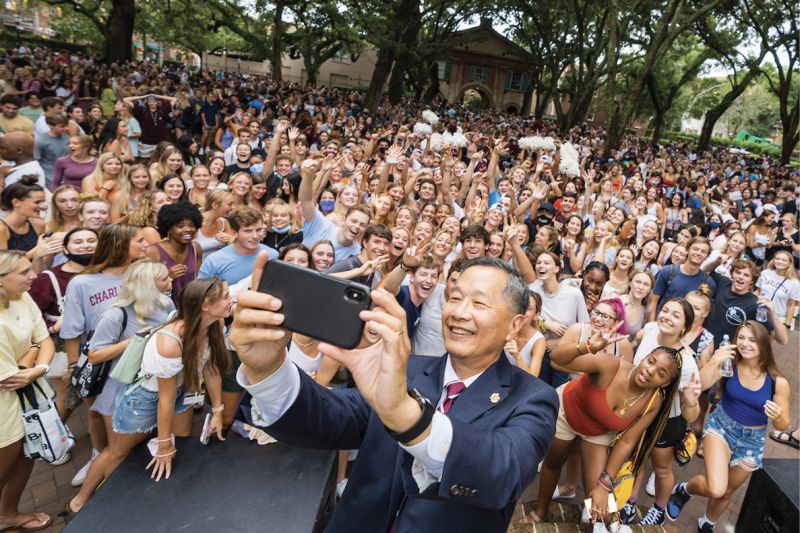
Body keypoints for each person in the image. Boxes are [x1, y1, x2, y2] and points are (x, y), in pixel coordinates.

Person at [230, 256, 558, 532]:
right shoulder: (408, 369)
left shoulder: (532, 397)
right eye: (455, 297)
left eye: (479, 302)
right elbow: (327, 416)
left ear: (515, 325)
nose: (459, 312)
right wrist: (269, 369)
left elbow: (502, 473)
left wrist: (405, 414)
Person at [67, 277, 231, 513]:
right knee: (117, 453)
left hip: (181, 392)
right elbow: (164, 398)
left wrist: (217, 411)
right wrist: (163, 444)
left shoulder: (214, 324)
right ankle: (83, 500)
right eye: (225, 296)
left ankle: (159, 503)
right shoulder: (169, 342)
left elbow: (211, 368)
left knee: (181, 445)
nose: (231, 299)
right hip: (144, 400)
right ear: (205, 304)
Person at [535, 334, 688, 523]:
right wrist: (587, 346)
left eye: (661, 373)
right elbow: (556, 358)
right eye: (651, 361)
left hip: (599, 431)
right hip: (567, 413)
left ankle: (592, 523)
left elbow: (627, 441)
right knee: (553, 462)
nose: (650, 370)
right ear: (643, 358)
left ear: (664, 384)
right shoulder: (610, 365)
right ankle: (541, 512)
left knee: (598, 498)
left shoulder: (653, 402)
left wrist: (605, 484)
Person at [666, 321, 791, 532]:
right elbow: (703, 385)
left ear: (763, 343)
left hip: (752, 441)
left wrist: (778, 416)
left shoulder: (777, 382)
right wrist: (715, 359)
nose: (745, 343)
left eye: (752, 339)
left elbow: (783, 423)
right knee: (716, 487)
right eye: (741, 338)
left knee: (726, 492)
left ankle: (708, 522)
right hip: (721, 429)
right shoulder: (730, 364)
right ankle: (685, 489)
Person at [59, 224, 148, 487]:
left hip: (139, 361)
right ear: (121, 245)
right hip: (100, 362)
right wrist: (75, 366)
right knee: (98, 412)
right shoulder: (82, 283)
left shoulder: (140, 274)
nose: (146, 245)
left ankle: (118, 459)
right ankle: (99, 457)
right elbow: (73, 330)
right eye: (140, 240)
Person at [621, 298, 701, 525]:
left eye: (676, 315)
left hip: (666, 422)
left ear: (685, 328)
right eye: (665, 310)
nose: (667, 316)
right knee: (636, 460)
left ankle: (658, 508)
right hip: (637, 411)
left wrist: (690, 401)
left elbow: (691, 416)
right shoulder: (651, 329)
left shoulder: (686, 363)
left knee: (662, 469)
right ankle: (629, 500)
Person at [0, 250, 55, 532]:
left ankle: (7, 514)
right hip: (4, 408)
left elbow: (45, 340)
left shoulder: (23, 296)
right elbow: (9, 378)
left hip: (30, 392)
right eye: (23, 272)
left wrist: (37, 364)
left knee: (26, 456)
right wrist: (35, 355)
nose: (34, 275)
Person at [29, 227, 98, 419]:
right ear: (65, 250)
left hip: (98, 344)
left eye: (91, 241)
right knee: (67, 398)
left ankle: (98, 442)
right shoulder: (48, 279)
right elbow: (30, 313)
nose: (85, 245)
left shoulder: (105, 272)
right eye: (78, 242)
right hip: (63, 347)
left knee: (96, 398)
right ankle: (57, 443)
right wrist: (52, 327)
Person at [530, 252, 590, 387]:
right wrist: (546, 323)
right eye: (538, 262)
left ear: (556, 268)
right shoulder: (532, 290)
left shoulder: (573, 294)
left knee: (559, 392)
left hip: (565, 353)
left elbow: (585, 327)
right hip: (539, 352)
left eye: (546, 263)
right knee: (538, 390)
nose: (541, 266)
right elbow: (526, 319)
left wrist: (560, 342)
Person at [703, 260, 789, 345]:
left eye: (746, 275)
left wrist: (773, 313)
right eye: (738, 272)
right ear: (732, 274)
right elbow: (705, 270)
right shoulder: (723, 282)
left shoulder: (755, 304)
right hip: (703, 342)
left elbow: (783, 340)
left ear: (752, 281)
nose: (741, 277)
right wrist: (717, 262)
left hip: (726, 351)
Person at [197, 206, 278, 284]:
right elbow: (201, 294)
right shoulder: (214, 261)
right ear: (234, 233)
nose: (255, 236)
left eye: (259, 230)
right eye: (248, 231)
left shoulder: (273, 255)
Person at [146, 202, 203, 308]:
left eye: (192, 225)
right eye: (180, 226)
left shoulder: (196, 249)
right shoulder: (152, 252)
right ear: (168, 228)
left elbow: (196, 282)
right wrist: (168, 277)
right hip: (161, 310)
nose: (187, 229)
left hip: (188, 309)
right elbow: (142, 288)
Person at [650, 236, 715, 319]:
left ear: (707, 256)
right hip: (662, 322)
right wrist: (651, 324)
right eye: (695, 249)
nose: (698, 253)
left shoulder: (708, 282)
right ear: (688, 250)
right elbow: (653, 301)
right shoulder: (668, 271)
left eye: (703, 251)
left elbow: (704, 313)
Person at [326, 224, 391, 287]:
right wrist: (358, 272)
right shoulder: (347, 265)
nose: (382, 248)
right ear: (365, 243)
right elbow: (318, 280)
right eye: (377, 242)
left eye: (387, 244)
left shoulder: (377, 271)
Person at [503, 292, 546, 376]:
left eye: (528, 308)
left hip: (521, 384)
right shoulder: (505, 328)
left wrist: (517, 356)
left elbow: (533, 377)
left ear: (536, 315)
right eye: (521, 306)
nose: (523, 311)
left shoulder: (538, 341)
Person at [0, 176, 46, 255]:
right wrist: (38, 249)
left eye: (43, 202)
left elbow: (40, 260)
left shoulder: (38, 225)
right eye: (37, 202)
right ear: (16, 202)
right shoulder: (2, 229)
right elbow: (4, 264)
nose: (43, 206)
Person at [756, 250, 800, 328]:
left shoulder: (794, 283)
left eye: (784, 260)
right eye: (777, 259)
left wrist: (787, 324)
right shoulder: (765, 273)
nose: (780, 261)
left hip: (778, 317)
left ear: (789, 264)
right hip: (759, 312)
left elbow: (791, 305)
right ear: (773, 260)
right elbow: (758, 292)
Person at [195, 190, 235, 259]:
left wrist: (231, 239)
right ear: (215, 205)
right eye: (230, 204)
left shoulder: (224, 223)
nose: (233, 207)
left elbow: (235, 248)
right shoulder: (194, 223)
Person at [34, 113, 69, 188]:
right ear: (51, 126)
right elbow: (36, 160)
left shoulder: (67, 138)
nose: (65, 128)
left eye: (66, 126)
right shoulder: (40, 140)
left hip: (66, 175)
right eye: (61, 126)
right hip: (49, 177)